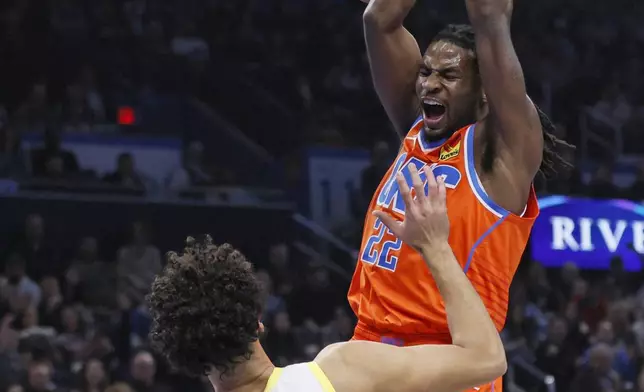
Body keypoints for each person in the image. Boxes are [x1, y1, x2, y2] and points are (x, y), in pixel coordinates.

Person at [348, 0, 573, 390]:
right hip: (368, 347)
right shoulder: (416, 129)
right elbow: (378, 20)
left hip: (447, 363)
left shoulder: (502, 157)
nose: (429, 84)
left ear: (485, 93)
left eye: (449, 75)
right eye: (425, 72)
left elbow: (489, 14)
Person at [148, 167, 507, 392]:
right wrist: (434, 246)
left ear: (187, 361)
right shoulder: (343, 371)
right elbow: (486, 360)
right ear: (257, 324)